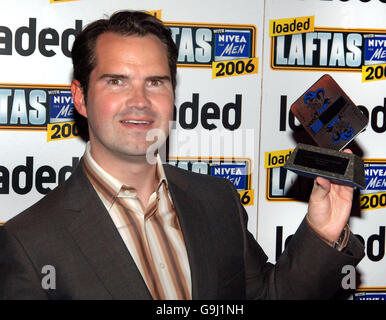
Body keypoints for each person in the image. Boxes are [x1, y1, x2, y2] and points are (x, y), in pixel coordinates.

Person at [0, 10, 364, 300]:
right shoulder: (29, 244)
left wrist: (322, 230)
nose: (140, 101)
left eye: (155, 82)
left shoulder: (216, 200)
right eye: (116, 81)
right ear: (79, 97)